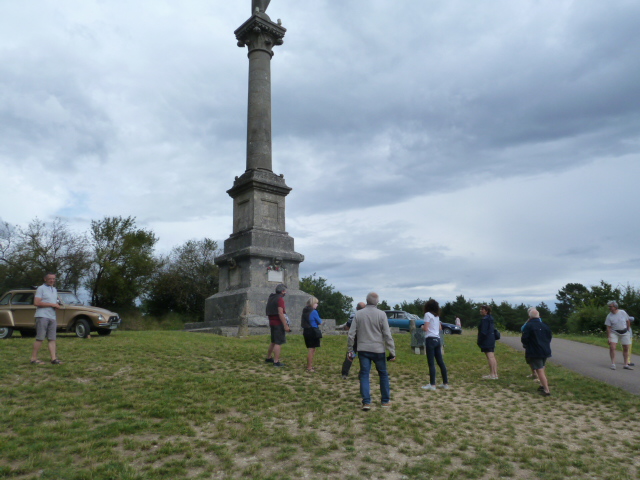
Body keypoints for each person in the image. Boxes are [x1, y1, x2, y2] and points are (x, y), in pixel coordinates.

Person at [347, 292, 396, 410]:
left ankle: (366, 402)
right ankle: (385, 401)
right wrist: (392, 351)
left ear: (366, 300)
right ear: (377, 302)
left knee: (364, 375)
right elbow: (387, 334)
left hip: (363, 349)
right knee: (383, 374)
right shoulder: (381, 314)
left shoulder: (358, 314)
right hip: (378, 349)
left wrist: (350, 350)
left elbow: (351, 334)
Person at [30, 273, 62, 365]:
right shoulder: (41, 288)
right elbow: (36, 303)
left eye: (53, 279)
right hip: (42, 316)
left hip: (52, 316)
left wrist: (56, 305)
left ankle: (53, 359)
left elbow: (54, 302)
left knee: (52, 338)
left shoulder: (54, 289)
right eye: (50, 279)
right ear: (45, 279)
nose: (52, 280)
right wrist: (52, 304)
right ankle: (33, 358)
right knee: (40, 338)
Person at [521, 309, 552, 396]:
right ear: (539, 316)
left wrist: (526, 345)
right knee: (542, 367)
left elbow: (524, 338)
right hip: (545, 350)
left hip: (535, 350)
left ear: (530, 317)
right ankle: (542, 385)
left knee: (539, 370)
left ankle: (546, 390)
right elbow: (549, 337)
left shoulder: (529, 325)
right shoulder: (545, 326)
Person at [421, 299, 449, 391]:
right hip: (437, 339)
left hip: (430, 339)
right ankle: (445, 383)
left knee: (431, 363)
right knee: (440, 362)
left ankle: (432, 384)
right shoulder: (437, 316)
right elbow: (440, 328)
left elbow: (426, 328)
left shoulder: (427, 314)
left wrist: (422, 327)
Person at [264, 284, 290, 367]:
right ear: (282, 291)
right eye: (285, 291)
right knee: (278, 342)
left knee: (273, 341)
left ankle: (268, 357)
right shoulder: (280, 299)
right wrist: (285, 325)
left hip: (272, 322)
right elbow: (280, 313)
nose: (285, 292)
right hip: (278, 322)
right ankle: (276, 361)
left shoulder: (271, 297)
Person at [605, 300, 633, 370]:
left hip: (624, 332)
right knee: (612, 347)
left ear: (615, 307)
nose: (609, 308)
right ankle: (613, 364)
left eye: (611, 306)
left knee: (626, 347)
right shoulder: (609, 316)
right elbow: (608, 327)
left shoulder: (622, 312)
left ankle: (626, 364)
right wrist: (609, 338)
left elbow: (628, 321)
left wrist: (628, 330)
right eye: (609, 307)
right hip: (614, 332)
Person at [342, 301, 365, 379]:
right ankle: (362, 374)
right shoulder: (367, 315)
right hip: (364, 338)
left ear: (357, 308)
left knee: (351, 354)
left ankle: (345, 373)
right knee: (363, 357)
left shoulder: (353, 315)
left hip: (354, 338)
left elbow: (347, 327)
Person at [301, 296, 323, 373]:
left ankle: (309, 365)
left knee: (310, 348)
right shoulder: (314, 312)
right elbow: (320, 322)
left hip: (306, 331)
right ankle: (309, 367)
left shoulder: (305, 311)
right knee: (312, 349)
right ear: (313, 303)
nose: (317, 305)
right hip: (313, 331)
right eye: (316, 303)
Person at [477, 305, 498, 379]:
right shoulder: (490, 318)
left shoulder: (485, 320)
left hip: (487, 340)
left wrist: (480, 340)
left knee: (490, 357)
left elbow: (483, 331)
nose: (480, 310)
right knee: (492, 357)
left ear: (486, 311)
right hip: (491, 339)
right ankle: (495, 374)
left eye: (482, 309)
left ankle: (492, 374)